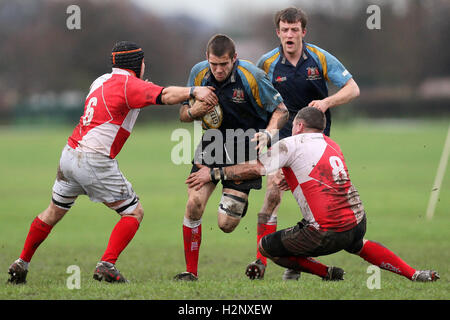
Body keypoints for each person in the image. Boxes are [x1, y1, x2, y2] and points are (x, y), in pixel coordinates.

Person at [7, 40, 218, 284]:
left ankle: (21, 262)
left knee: (53, 211)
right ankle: (107, 264)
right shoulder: (129, 84)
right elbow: (166, 95)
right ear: (137, 64)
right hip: (93, 159)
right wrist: (195, 91)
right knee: (133, 212)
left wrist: (144, 90)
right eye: (142, 63)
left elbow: (125, 102)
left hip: (69, 154)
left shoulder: (101, 81)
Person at [186, 107, 440, 283]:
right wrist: (291, 175)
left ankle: (325, 273)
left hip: (324, 233)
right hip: (357, 222)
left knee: (268, 247)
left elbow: (257, 167)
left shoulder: (292, 143)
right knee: (357, 245)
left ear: (298, 126)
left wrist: (214, 173)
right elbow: (318, 171)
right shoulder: (332, 144)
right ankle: (414, 274)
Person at [248, 7, 361, 280]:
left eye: (294, 30)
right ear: (278, 32)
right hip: (285, 138)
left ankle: (295, 260)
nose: (289, 34)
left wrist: (326, 102)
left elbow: (353, 89)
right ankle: (261, 260)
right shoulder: (266, 63)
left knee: (312, 202)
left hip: (315, 142)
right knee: (274, 193)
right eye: (285, 30)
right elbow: (258, 100)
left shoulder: (320, 58)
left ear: (303, 32)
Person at [173, 34, 292, 281]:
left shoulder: (252, 77)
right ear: (207, 59)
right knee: (194, 203)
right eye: (213, 64)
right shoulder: (198, 73)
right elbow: (183, 114)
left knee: (226, 224)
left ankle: (235, 196)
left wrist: (268, 134)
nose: (217, 70)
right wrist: (195, 110)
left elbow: (282, 111)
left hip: (245, 144)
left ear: (234, 59)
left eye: (223, 65)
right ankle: (190, 273)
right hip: (212, 142)